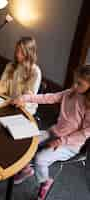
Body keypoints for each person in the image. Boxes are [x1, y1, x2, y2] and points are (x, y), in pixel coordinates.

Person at [11, 65, 90, 200]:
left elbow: (86, 132)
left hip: (71, 145)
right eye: (75, 81)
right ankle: (27, 169)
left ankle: (45, 182)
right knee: (28, 141)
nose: (75, 86)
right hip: (55, 131)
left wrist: (62, 141)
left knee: (40, 159)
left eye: (79, 83)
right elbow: (49, 98)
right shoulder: (71, 93)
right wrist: (25, 98)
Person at [0, 36, 41, 115]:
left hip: (24, 108)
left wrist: (21, 102)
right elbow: (3, 86)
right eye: (17, 51)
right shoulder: (11, 66)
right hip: (9, 104)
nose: (17, 55)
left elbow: (29, 97)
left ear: (29, 54)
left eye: (22, 52)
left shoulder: (35, 72)